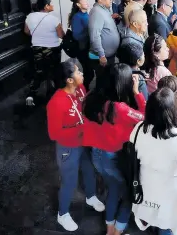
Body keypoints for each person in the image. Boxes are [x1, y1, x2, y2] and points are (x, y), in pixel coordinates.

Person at [82, 63, 146, 235]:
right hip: (113, 157)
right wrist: (137, 92)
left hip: (96, 155)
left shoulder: (91, 98)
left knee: (113, 189)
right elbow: (146, 117)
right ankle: (117, 231)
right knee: (127, 195)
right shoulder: (119, 108)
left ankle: (110, 229)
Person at [47, 61, 105, 231]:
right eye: (78, 72)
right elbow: (54, 134)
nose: (82, 74)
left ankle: (91, 196)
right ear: (69, 80)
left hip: (84, 142)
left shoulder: (80, 90)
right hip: (68, 148)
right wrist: (81, 129)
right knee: (69, 181)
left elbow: (85, 109)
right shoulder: (56, 103)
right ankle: (63, 213)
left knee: (89, 169)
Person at [131, 88, 177, 235]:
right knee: (167, 222)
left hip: (145, 182)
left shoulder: (138, 128)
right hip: (171, 188)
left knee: (149, 213)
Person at [24, 0, 64, 106]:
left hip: (37, 48)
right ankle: (56, 95)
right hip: (53, 49)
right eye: (51, 3)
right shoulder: (54, 19)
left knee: (39, 71)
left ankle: (31, 95)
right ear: (46, 6)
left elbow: (27, 31)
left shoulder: (30, 17)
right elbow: (61, 35)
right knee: (55, 71)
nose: (52, 5)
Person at [68, 0, 92, 90]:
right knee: (88, 72)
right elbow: (76, 35)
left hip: (88, 47)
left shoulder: (86, 14)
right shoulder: (77, 17)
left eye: (87, 0)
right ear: (78, 4)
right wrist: (90, 33)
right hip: (83, 49)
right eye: (84, 1)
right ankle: (83, 91)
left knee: (89, 72)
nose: (87, 2)